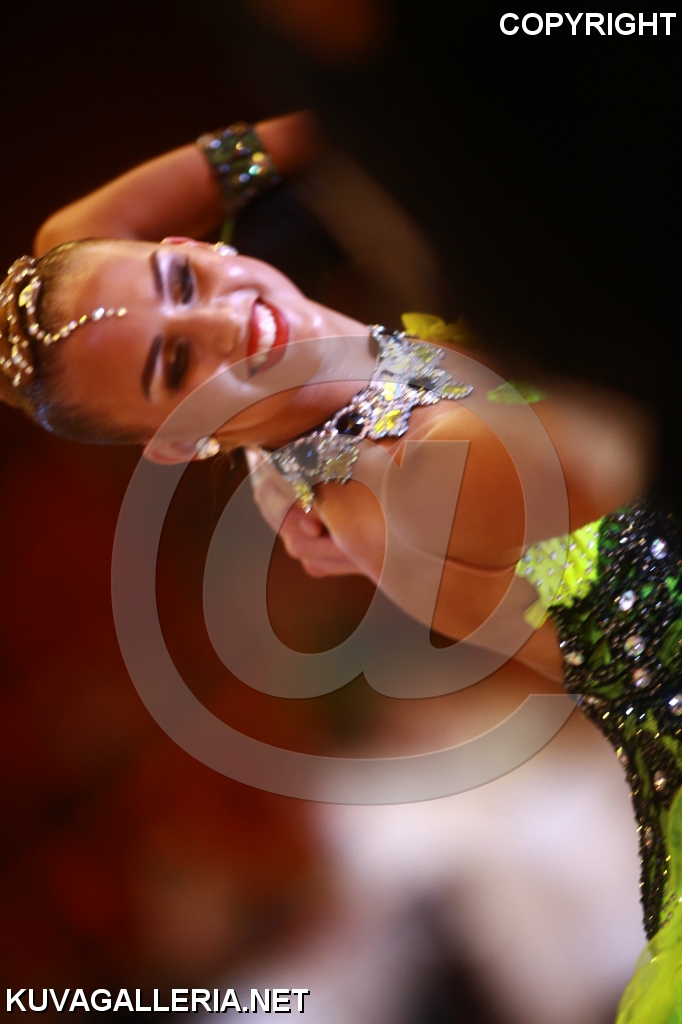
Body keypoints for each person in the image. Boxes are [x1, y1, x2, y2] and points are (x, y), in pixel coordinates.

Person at [0, 114, 678, 1022]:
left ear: (184, 245)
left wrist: (337, 113)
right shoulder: (422, 468)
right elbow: (645, 424)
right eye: (177, 362)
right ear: (181, 439)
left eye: (183, 279)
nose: (229, 320)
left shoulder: (292, 420)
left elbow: (69, 246)